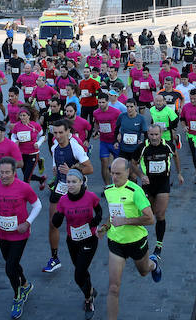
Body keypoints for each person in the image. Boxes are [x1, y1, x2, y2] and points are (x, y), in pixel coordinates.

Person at [97, 157, 161, 320]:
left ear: (128, 172)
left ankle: (153, 264)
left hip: (136, 242)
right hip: (116, 242)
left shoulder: (135, 191)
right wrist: (105, 227)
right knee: (113, 288)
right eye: (112, 173)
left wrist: (125, 221)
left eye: (118, 174)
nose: (114, 177)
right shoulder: (109, 190)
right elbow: (113, 215)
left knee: (143, 271)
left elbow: (150, 219)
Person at [0, 156, 42, 319]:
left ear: (14, 172)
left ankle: (18, 296)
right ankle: (26, 285)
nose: (5, 175)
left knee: (9, 267)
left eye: (8, 172)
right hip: (3, 234)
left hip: (20, 234)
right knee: (12, 263)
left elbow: (38, 205)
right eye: (2, 172)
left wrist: (28, 222)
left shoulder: (23, 187)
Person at [44, 119, 94, 274]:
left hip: (77, 189)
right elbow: (55, 165)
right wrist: (55, 171)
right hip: (60, 187)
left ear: (68, 132)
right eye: (55, 133)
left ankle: (86, 248)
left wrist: (72, 170)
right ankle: (54, 258)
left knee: (79, 223)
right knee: (53, 223)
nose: (58, 136)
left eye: (61, 132)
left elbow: (90, 168)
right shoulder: (54, 147)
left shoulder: (75, 147)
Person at [51, 168, 102, 319]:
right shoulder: (63, 200)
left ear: (81, 182)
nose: (71, 185)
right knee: (82, 270)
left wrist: (96, 220)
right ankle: (91, 290)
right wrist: (57, 218)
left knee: (78, 274)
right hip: (72, 241)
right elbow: (56, 222)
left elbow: (99, 211)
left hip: (89, 239)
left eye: (74, 181)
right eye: (68, 182)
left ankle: (88, 300)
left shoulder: (90, 196)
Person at [139, 124, 182, 258]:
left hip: (163, 184)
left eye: (156, 134)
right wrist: (141, 176)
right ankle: (141, 239)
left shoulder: (167, 145)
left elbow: (175, 156)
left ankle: (158, 245)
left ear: (161, 134)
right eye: (151, 135)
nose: (154, 137)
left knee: (160, 214)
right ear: (148, 134)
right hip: (148, 185)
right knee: (147, 215)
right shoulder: (143, 147)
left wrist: (179, 173)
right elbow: (133, 164)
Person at [93, 93, 121, 184]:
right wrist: (96, 131)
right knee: (104, 163)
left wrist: (120, 134)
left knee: (117, 165)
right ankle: (107, 186)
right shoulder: (96, 112)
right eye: (99, 102)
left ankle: (118, 185)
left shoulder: (116, 112)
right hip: (103, 142)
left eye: (103, 102)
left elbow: (122, 122)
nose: (101, 104)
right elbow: (97, 123)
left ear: (107, 102)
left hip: (114, 141)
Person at [115, 99, 149, 174]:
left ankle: (133, 185)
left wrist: (143, 144)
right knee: (123, 172)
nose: (129, 109)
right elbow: (116, 129)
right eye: (127, 107)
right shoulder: (122, 116)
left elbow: (146, 134)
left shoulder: (141, 118)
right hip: (123, 149)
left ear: (135, 107)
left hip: (135, 150)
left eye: (131, 107)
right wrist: (115, 141)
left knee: (133, 174)